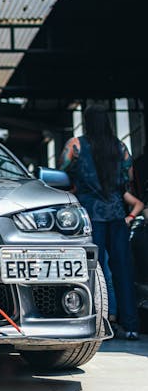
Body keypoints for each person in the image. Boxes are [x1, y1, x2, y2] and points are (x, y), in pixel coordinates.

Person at [59, 103, 140, 340]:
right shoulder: (120, 147)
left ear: (86, 122)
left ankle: (97, 322)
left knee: (94, 271)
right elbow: (128, 177)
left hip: (89, 215)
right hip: (115, 214)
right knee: (123, 270)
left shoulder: (75, 145)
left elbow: (63, 172)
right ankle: (131, 325)